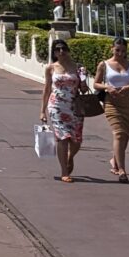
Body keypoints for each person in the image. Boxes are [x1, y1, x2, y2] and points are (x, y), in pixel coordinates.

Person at [95, 38, 129, 183]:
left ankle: (115, 160)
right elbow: (96, 84)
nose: (120, 53)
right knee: (119, 134)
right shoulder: (104, 65)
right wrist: (107, 87)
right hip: (112, 103)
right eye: (117, 50)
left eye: (123, 51)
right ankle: (122, 170)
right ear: (112, 49)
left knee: (125, 136)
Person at [41, 37, 87, 183]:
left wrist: (84, 82)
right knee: (63, 138)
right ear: (54, 53)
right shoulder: (51, 68)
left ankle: (70, 156)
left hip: (74, 106)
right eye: (58, 49)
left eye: (64, 48)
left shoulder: (78, 67)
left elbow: (84, 89)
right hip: (56, 106)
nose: (61, 52)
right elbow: (47, 89)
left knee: (76, 140)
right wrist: (42, 110)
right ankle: (64, 172)